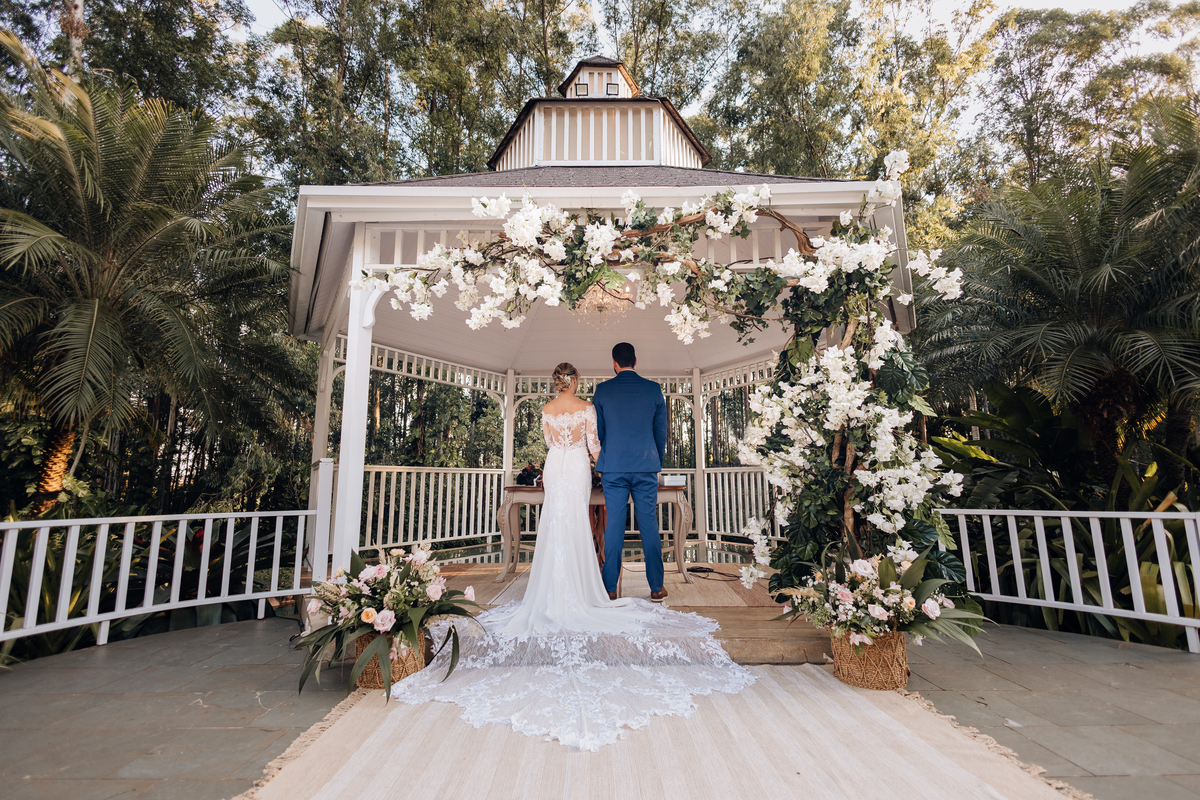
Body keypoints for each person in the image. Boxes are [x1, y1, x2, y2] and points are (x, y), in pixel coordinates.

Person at [390, 361, 753, 751]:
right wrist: (602, 462)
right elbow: (594, 447)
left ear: (553, 381)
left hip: (555, 466)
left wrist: (570, 454)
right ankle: (587, 589)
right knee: (578, 524)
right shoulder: (587, 407)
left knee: (555, 526)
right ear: (576, 381)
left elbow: (549, 444)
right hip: (578, 466)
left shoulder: (545, 411)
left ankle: (549, 591)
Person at [591, 342, 669, 601]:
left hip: (613, 467)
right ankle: (656, 588)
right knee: (648, 524)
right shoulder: (654, 390)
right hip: (646, 465)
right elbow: (660, 433)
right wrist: (655, 462)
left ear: (614, 363)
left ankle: (610, 588)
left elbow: (600, 433)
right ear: (635, 361)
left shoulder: (602, 391)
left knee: (613, 525)